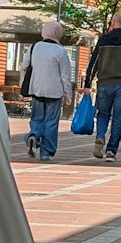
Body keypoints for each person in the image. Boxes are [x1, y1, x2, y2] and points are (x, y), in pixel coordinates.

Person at [82, 10, 121, 162]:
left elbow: (94, 62)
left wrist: (88, 83)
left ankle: (100, 137)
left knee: (103, 114)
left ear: (113, 22)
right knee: (119, 118)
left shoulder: (103, 40)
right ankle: (111, 151)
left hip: (104, 83)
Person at [18, 20, 76, 161]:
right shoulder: (61, 51)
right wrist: (68, 95)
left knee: (37, 117)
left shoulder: (35, 47)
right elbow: (65, 76)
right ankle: (46, 153)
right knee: (51, 122)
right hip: (55, 92)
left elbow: (24, 65)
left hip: (36, 88)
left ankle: (34, 135)